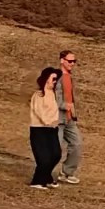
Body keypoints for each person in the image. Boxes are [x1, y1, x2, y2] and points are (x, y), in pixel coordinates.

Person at [28, 67, 63, 188]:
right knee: (44, 158)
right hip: (39, 129)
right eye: (53, 78)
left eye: (56, 79)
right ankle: (37, 181)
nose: (55, 81)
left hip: (52, 129)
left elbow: (54, 111)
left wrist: (55, 122)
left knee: (56, 154)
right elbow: (39, 111)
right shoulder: (38, 95)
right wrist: (47, 122)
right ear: (46, 79)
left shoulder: (52, 94)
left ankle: (46, 177)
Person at [55, 47, 82, 184]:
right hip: (58, 118)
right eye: (70, 61)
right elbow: (54, 97)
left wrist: (74, 113)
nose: (72, 64)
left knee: (76, 145)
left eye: (74, 61)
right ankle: (44, 174)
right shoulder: (56, 77)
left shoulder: (69, 78)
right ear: (62, 61)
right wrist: (65, 106)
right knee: (55, 148)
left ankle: (67, 172)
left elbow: (71, 97)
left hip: (70, 118)